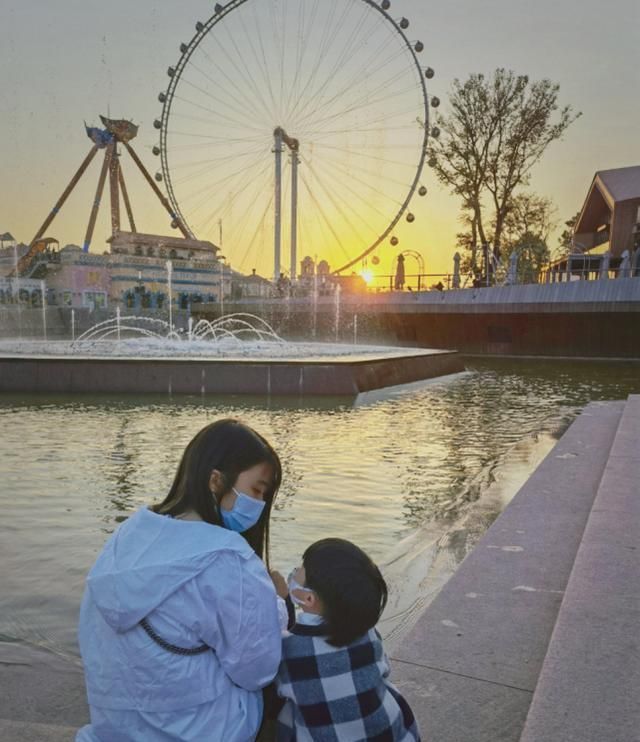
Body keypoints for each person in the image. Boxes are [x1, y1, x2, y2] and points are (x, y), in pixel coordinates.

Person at [77, 419, 286, 742]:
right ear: (216, 480)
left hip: (114, 728)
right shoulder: (227, 556)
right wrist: (279, 605)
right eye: (257, 490)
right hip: (202, 731)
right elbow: (257, 671)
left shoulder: (128, 535)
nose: (258, 505)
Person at [275, 539, 421, 742]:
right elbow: (384, 670)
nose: (295, 572)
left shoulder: (288, 649)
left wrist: (282, 602)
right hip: (394, 734)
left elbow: (275, 681)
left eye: (300, 569)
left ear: (309, 599)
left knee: (287, 712)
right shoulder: (367, 632)